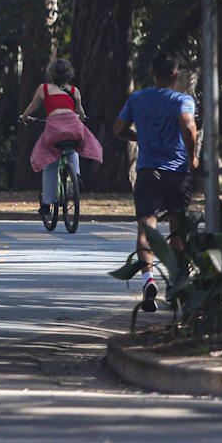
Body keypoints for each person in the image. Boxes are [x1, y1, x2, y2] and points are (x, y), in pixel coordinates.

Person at [115, 54, 199, 313]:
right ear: (175, 76)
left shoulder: (137, 99)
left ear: (152, 72)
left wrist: (139, 137)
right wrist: (192, 154)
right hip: (177, 175)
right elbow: (188, 125)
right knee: (177, 230)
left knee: (145, 231)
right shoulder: (183, 100)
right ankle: (176, 284)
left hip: (148, 173)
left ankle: (148, 279)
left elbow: (118, 129)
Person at [23, 58, 105, 222]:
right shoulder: (74, 91)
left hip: (54, 129)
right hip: (73, 127)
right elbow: (80, 112)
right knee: (73, 148)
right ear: (69, 74)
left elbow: (33, 106)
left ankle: (46, 203)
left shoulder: (43, 88)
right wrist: (81, 117)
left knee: (49, 163)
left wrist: (24, 116)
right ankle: (76, 174)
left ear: (50, 74)